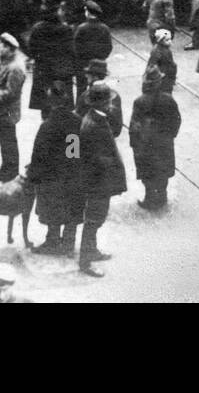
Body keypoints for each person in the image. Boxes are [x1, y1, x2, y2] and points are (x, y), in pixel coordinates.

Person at [77, 82, 127, 278]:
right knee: (93, 220)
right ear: (103, 104)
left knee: (97, 218)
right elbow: (94, 156)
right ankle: (85, 261)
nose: (111, 104)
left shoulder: (95, 118)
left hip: (99, 180)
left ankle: (92, 250)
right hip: (97, 182)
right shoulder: (92, 125)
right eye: (108, 101)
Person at [28, 84, 84, 255]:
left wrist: (34, 176)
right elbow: (74, 150)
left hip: (51, 177)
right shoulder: (76, 121)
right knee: (71, 209)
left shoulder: (47, 126)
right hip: (71, 174)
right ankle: (68, 244)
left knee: (53, 210)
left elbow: (39, 155)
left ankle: (52, 242)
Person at [129, 66, 182, 210]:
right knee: (163, 171)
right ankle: (162, 197)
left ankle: (149, 198)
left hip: (145, 144)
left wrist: (134, 143)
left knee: (148, 172)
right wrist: (170, 135)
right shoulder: (168, 99)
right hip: (164, 143)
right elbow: (176, 120)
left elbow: (134, 125)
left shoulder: (140, 101)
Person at [27, 0, 76, 117]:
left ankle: (48, 131)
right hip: (62, 73)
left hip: (43, 72)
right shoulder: (66, 29)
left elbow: (31, 50)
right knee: (63, 107)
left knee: (46, 107)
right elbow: (72, 51)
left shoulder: (37, 28)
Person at [0, 33, 27, 182]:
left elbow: (11, 93)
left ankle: (10, 172)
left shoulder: (15, 68)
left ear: (8, 48)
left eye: (0, 46)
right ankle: (7, 170)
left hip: (7, 112)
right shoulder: (8, 62)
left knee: (8, 144)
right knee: (6, 142)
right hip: (4, 112)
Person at [73, 1, 113, 93]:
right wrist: (102, 58)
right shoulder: (105, 28)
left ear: (87, 12)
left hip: (82, 63)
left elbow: (75, 46)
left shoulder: (81, 28)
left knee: (81, 89)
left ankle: (81, 107)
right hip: (99, 63)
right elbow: (109, 47)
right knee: (96, 90)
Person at [146, 28, 177, 93]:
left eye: (170, 39)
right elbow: (152, 64)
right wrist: (158, 74)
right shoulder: (157, 51)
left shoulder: (166, 49)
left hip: (167, 73)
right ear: (160, 41)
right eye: (167, 40)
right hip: (161, 74)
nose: (170, 41)